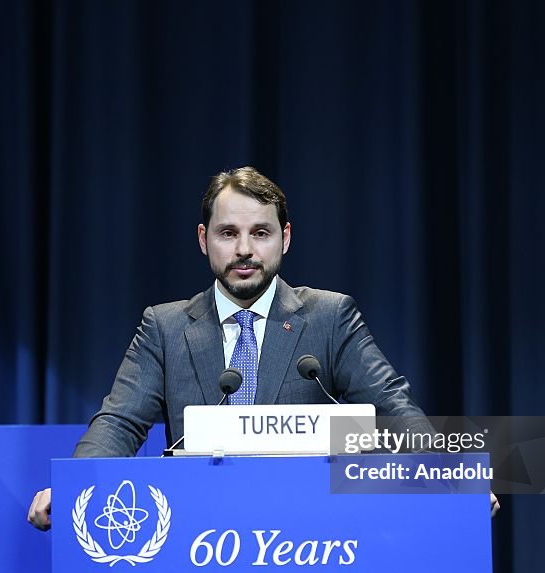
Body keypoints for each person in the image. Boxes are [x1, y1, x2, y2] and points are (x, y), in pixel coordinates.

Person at [28, 167, 496, 530]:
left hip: (312, 536)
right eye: (228, 233)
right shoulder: (166, 327)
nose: (244, 249)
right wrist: (76, 486)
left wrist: (444, 475)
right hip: (199, 534)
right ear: (203, 239)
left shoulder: (330, 318)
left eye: (261, 232)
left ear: (284, 239)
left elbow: (393, 407)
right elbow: (119, 421)